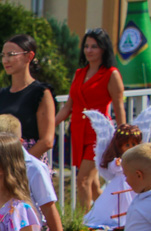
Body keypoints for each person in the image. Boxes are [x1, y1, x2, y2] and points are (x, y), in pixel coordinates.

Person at [54, 28, 126, 209]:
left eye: (94, 46)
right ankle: (113, 212)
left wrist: (123, 137)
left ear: (103, 49)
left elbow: (119, 106)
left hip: (98, 134)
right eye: (86, 46)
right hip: (78, 133)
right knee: (93, 187)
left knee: (82, 180)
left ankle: (84, 226)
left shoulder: (111, 74)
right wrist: (49, 126)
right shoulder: (79, 73)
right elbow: (69, 107)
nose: (89, 50)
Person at [0, 34, 56, 161]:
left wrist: (18, 163)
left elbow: (47, 141)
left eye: (11, 54)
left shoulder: (40, 92)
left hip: (29, 164)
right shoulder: (0, 95)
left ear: (29, 56)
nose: (5, 60)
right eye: (3, 55)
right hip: (1, 164)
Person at [83, 121, 142, 229]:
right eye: (127, 145)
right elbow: (112, 168)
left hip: (134, 186)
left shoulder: (137, 158)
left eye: (134, 144)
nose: (130, 147)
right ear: (120, 146)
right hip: (121, 185)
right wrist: (117, 164)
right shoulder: (119, 160)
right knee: (117, 205)